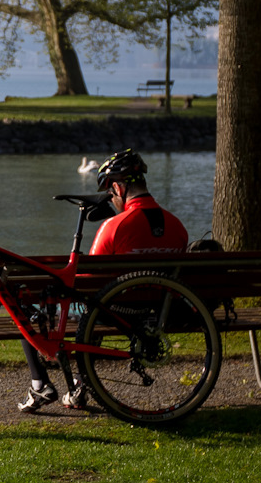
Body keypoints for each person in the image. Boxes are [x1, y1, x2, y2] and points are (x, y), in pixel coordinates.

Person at [18, 148, 190, 412]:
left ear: (119, 189)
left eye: (110, 192)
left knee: (29, 308)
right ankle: (79, 384)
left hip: (113, 313)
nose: (112, 198)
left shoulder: (115, 226)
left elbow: (88, 283)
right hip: (155, 312)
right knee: (95, 308)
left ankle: (40, 384)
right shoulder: (178, 226)